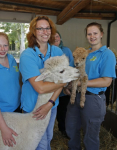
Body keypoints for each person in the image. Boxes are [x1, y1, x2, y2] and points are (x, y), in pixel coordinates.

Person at [65, 22, 116, 150]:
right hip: (75, 96)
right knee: (71, 128)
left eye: (95, 33)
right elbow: (71, 72)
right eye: (89, 34)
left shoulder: (106, 54)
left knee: (90, 135)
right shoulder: (83, 52)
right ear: (86, 36)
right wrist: (67, 86)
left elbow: (106, 81)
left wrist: (82, 84)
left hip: (92, 98)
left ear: (101, 34)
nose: (92, 36)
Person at [19, 16, 67, 150]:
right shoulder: (27, 55)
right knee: (39, 142)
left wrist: (50, 103)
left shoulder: (57, 51)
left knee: (48, 137)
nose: (44, 32)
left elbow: (63, 78)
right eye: (40, 29)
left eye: (47, 28)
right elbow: (39, 88)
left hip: (52, 105)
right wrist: (63, 82)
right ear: (33, 31)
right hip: (34, 107)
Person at [53, 31, 73, 138]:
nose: (56, 38)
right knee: (51, 109)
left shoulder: (66, 50)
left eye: (57, 36)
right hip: (52, 87)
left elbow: (71, 66)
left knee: (63, 110)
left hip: (64, 86)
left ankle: (63, 129)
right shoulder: (48, 51)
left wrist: (68, 83)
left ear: (60, 38)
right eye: (53, 36)